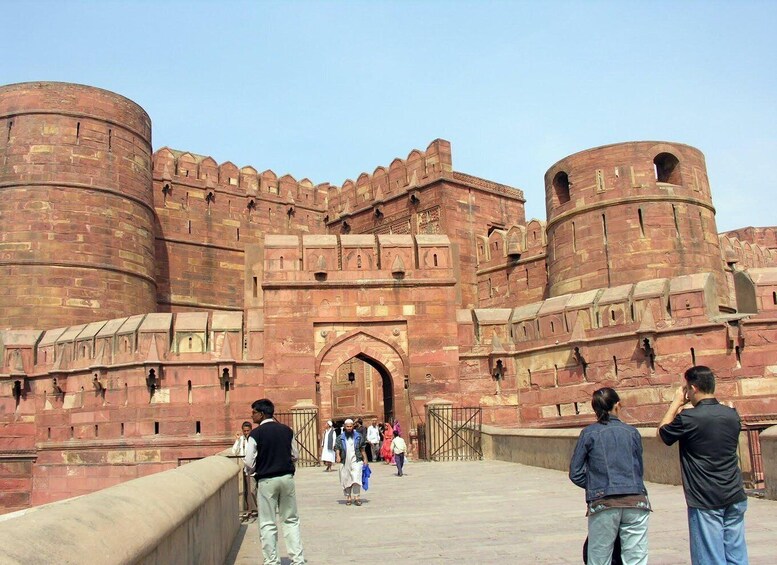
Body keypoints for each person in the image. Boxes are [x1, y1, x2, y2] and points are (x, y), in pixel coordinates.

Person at [657, 366, 749, 565]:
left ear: (693, 388)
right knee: (737, 557)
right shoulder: (731, 415)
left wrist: (675, 403)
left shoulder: (688, 418)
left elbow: (662, 434)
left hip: (705, 498)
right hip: (734, 494)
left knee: (710, 559)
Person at [569, 388, 650, 565]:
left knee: (599, 558)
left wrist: (597, 485)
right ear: (617, 405)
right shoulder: (632, 432)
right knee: (636, 559)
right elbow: (638, 468)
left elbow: (575, 473)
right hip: (635, 500)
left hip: (603, 503)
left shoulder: (589, 433)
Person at [244, 399, 306, 565]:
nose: (252, 416)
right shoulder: (287, 430)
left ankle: (271, 561)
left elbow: (249, 462)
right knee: (291, 520)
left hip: (266, 481)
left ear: (262, 414)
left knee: (267, 523)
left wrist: (256, 469)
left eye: (254, 412)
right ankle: (298, 560)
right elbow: (295, 455)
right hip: (286, 478)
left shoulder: (255, 434)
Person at [334, 418, 368, 506]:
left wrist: (365, 459)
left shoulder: (358, 436)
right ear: (345, 427)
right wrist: (338, 456)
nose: (349, 428)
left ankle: (357, 497)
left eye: (350, 426)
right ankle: (348, 497)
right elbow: (337, 447)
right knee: (346, 479)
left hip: (356, 460)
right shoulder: (340, 438)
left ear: (353, 426)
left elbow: (362, 448)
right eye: (347, 426)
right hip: (345, 461)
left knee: (356, 478)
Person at [232, 421, 258, 520]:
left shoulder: (253, 439)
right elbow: (234, 451)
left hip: (253, 468)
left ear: (251, 430)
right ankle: (250, 509)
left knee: (252, 490)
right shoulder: (241, 440)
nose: (246, 432)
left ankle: (254, 509)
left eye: (248, 430)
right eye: (245, 431)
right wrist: (237, 440)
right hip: (244, 468)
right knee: (246, 490)